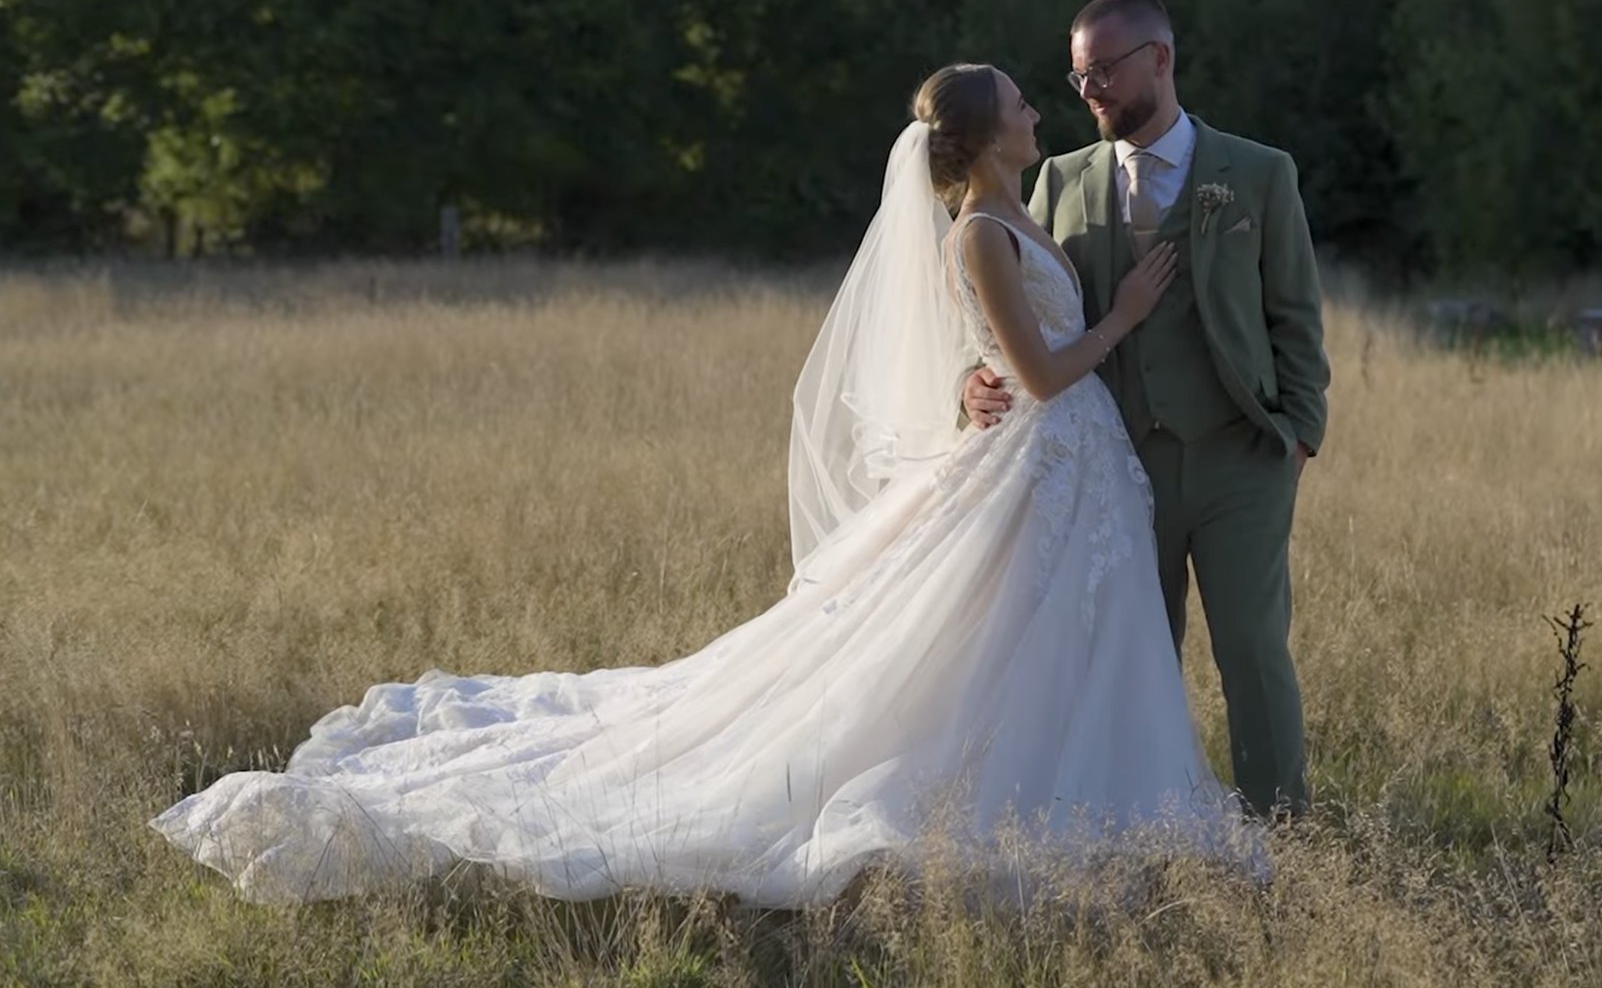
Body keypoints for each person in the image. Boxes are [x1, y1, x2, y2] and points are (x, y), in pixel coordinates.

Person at [149, 61, 1249, 907]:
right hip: (1042, 461)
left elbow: (1005, 359)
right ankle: (1014, 810)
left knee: (1051, 649)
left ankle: (1109, 807)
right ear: (983, 134)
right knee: (980, 656)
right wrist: (1122, 317)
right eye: (1019, 100)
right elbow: (1049, 374)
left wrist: (981, 370)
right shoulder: (976, 234)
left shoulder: (1019, 214)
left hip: (1062, 476)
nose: (1036, 110)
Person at [963, 0, 1332, 817]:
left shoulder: (1260, 173)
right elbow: (1007, 298)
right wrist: (969, 376)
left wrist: (1299, 433)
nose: (1087, 92)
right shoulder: (1056, 181)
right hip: (1117, 462)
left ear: (1159, 60)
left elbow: (1296, 318)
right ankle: (1138, 824)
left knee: (1252, 649)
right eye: (1076, 76)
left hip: (1242, 456)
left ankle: (1283, 825)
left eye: (1102, 73)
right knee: (1130, 656)